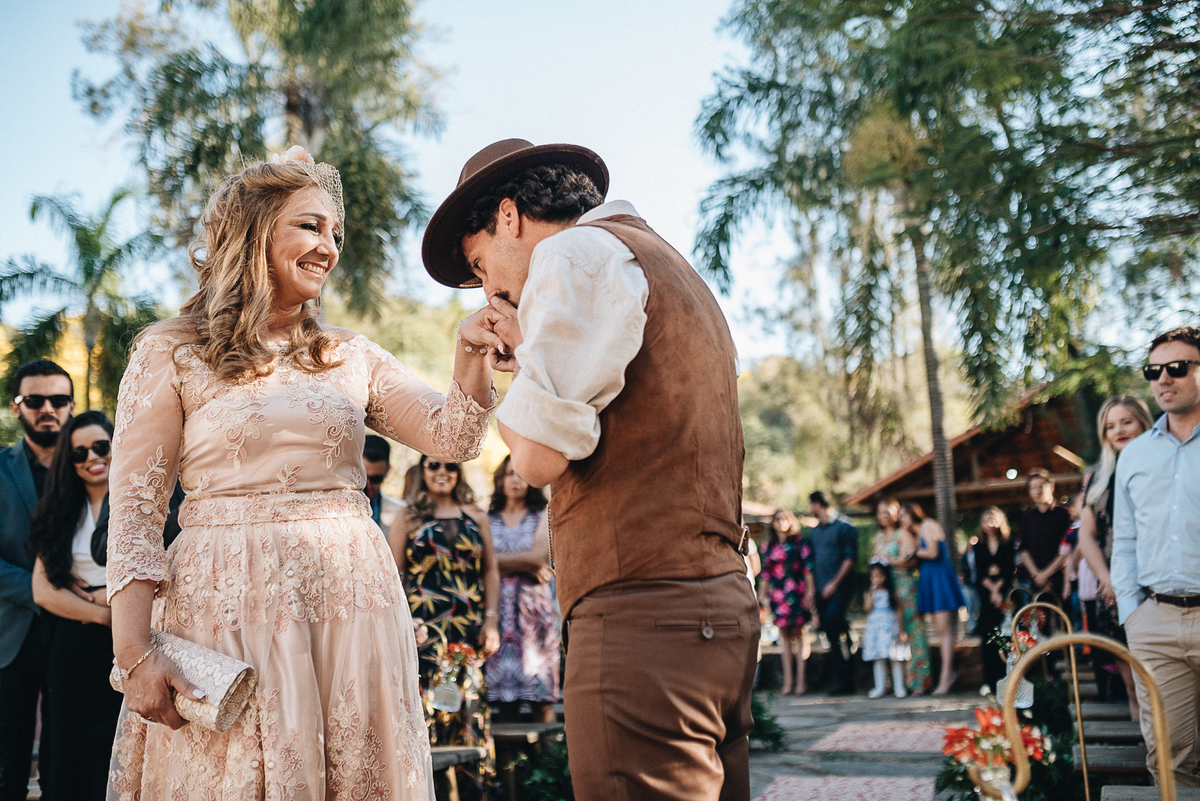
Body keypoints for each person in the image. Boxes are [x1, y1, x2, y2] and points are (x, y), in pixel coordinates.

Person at [105, 147, 499, 800]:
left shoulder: (349, 355)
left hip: (350, 605)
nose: (329, 247)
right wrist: (134, 655)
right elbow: (136, 513)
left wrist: (472, 352)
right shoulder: (171, 350)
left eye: (334, 233)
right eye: (311, 226)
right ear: (254, 232)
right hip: (226, 607)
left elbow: (453, 436)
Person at [422, 138, 757, 800]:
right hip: (721, 612)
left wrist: (514, 370)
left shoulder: (570, 254)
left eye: (481, 263)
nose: (490, 288)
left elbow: (536, 458)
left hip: (640, 618)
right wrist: (533, 347)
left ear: (510, 216)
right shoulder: (665, 263)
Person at [1112, 326, 1200, 787]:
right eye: (1154, 370)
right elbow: (1124, 540)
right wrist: (1132, 613)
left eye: (1177, 367)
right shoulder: (1135, 455)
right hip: (1155, 622)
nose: (1164, 378)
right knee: (1169, 757)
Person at [390, 455, 500, 799]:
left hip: (468, 631)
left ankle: (474, 794)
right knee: (428, 716)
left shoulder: (476, 515)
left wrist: (492, 621)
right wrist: (403, 623)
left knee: (469, 710)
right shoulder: (407, 517)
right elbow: (394, 577)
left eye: (450, 466)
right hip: (424, 632)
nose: (442, 472)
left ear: (459, 472)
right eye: (434, 465)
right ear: (422, 471)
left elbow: (490, 570)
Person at [25, 411, 122, 801]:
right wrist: (102, 614)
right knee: (71, 747)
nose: (91, 458)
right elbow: (43, 591)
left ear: (117, 444)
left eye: (100, 446)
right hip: (75, 645)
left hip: (133, 639)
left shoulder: (144, 500)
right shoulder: (61, 511)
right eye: (79, 452)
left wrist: (110, 604)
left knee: (120, 745)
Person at [0, 359, 74, 801]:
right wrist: (44, 592)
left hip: (78, 634)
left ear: (71, 406)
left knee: (66, 761)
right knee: (7, 764)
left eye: (58, 399)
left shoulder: (95, 465)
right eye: (35, 400)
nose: (48, 408)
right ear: (16, 407)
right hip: (11, 634)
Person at [1077, 394, 1152, 720]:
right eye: (1110, 426)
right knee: (1133, 687)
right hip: (1112, 589)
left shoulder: (1160, 463)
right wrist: (1107, 578)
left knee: (1162, 685)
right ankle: (1144, 749)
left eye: (1126, 422)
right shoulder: (1098, 476)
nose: (1118, 430)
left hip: (1155, 584)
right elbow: (1086, 535)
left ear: (1143, 423)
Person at [484, 455, 557, 722]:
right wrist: (524, 564)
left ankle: (549, 751)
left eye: (521, 474)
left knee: (542, 699)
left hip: (534, 618)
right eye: (509, 474)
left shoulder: (543, 514)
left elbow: (538, 557)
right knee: (504, 701)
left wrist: (494, 563)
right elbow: (477, 560)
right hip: (498, 616)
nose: (515, 480)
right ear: (500, 479)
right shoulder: (486, 518)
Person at [902, 502, 965, 696]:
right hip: (930, 580)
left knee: (945, 633)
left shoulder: (927, 525)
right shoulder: (917, 532)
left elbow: (932, 552)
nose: (901, 519)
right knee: (941, 632)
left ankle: (946, 678)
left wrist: (913, 553)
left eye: (903, 515)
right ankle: (947, 674)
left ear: (913, 514)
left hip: (940, 581)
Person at [873, 498, 932, 695]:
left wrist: (889, 561)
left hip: (906, 587)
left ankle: (919, 682)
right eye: (880, 512)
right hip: (886, 592)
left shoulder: (903, 534)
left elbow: (913, 561)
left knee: (914, 632)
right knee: (890, 634)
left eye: (888, 511)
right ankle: (892, 683)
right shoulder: (879, 537)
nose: (884, 515)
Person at [759, 509, 815, 696]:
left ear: (791, 521)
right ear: (773, 523)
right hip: (778, 595)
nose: (781, 522)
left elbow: (808, 570)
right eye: (778, 520)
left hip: (798, 593)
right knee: (784, 637)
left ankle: (801, 681)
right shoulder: (769, 546)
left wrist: (810, 593)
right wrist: (762, 597)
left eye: (784, 519)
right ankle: (788, 682)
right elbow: (765, 573)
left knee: (800, 635)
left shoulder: (800, 543)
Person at [807, 491, 859, 695]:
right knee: (829, 631)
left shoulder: (845, 527)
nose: (809, 509)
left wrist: (834, 584)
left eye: (810, 505)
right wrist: (813, 590)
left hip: (840, 587)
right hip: (820, 589)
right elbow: (811, 562)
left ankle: (849, 633)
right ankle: (844, 681)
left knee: (833, 619)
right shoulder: (814, 532)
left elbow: (850, 559)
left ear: (817, 504)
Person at [972, 507, 1016, 693]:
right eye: (985, 521)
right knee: (988, 638)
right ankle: (990, 681)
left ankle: (1008, 678)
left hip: (1005, 593)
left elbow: (1008, 569)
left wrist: (997, 588)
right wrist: (992, 588)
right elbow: (980, 573)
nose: (989, 524)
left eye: (992, 520)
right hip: (986, 595)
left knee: (1005, 635)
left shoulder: (1008, 543)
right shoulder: (978, 546)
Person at [1017, 469, 1072, 597]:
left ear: (1051, 487)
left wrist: (1046, 575)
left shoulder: (1064, 514)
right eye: (1033, 488)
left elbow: (1068, 549)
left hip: (1062, 580)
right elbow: (1024, 549)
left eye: (1041, 486)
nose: (1037, 491)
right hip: (1036, 581)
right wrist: (1037, 575)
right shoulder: (1028, 517)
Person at [862, 561, 907, 699]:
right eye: (873, 576)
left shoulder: (891, 593)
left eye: (879, 576)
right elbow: (867, 608)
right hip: (875, 629)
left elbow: (898, 610)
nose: (876, 579)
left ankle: (899, 687)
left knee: (895, 657)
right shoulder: (869, 592)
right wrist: (872, 592)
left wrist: (901, 631)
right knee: (878, 659)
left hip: (889, 628)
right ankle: (879, 687)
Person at [363, 434, 404, 531]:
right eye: (362, 478)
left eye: (376, 479)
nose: (368, 485)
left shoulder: (399, 511)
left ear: (388, 471)